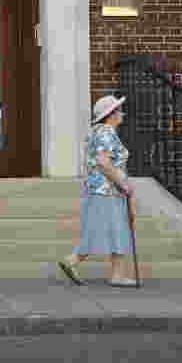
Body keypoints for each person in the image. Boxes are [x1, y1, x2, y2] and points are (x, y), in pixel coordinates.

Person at [58, 95, 139, 288]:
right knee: (106, 228)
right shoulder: (106, 133)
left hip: (105, 190)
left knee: (117, 228)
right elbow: (104, 162)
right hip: (107, 190)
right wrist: (123, 182)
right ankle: (73, 260)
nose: (122, 114)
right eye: (119, 111)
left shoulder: (98, 132)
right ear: (111, 115)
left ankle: (117, 273)